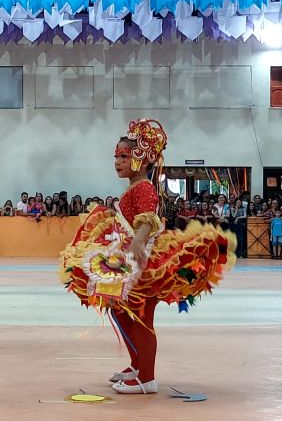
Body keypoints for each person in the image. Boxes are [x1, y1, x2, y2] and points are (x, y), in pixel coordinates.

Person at [61, 119, 235, 395]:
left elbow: (148, 218)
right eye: (116, 156)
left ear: (142, 160)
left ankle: (147, 377)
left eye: (123, 156)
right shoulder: (134, 187)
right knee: (122, 311)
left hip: (141, 264)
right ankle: (137, 366)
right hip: (128, 261)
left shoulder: (144, 187)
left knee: (140, 317)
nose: (117, 161)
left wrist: (137, 242)